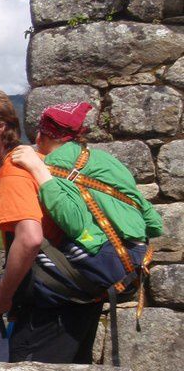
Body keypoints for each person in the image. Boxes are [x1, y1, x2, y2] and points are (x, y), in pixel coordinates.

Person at [0, 90, 99, 364]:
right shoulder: (38, 160)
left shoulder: (13, 171)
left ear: (0, 126)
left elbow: (30, 238)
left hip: (51, 307)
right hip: (78, 296)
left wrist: (4, 296)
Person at [10, 101, 162, 298]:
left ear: (44, 135)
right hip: (138, 261)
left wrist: (39, 171)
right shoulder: (104, 159)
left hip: (109, 264)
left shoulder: (53, 166)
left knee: (17, 284)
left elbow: (74, 222)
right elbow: (153, 222)